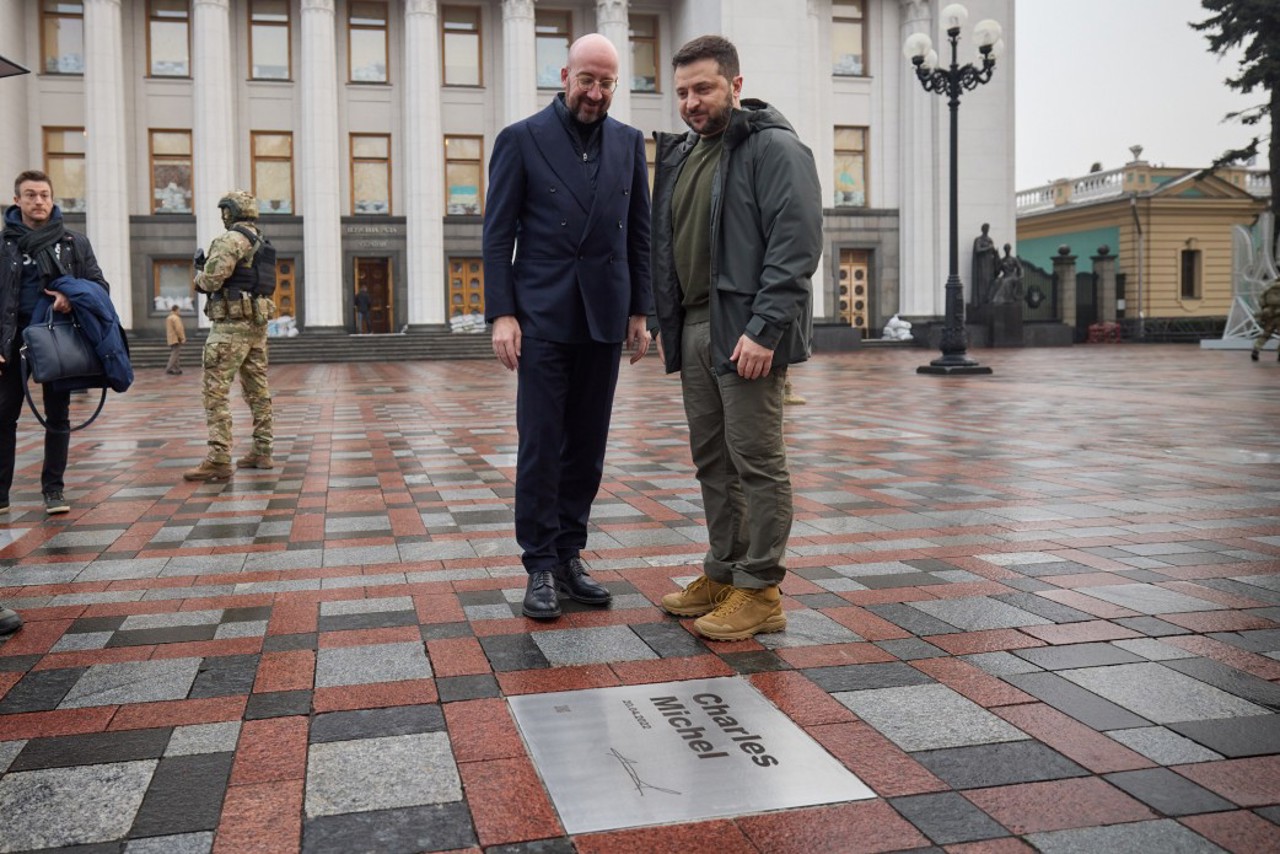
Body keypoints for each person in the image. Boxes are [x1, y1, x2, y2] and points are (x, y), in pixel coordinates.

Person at [650, 35, 822, 641]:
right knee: (713, 462)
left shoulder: (772, 148)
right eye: (683, 92)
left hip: (746, 329)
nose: (692, 102)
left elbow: (795, 243)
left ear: (735, 86)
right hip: (695, 323)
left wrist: (764, 327)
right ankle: (723, 573)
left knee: (758, 462)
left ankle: (761, 590)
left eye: (704, 88)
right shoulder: (687, 154)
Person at [482, 33, 652, 621]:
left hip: (604, 315)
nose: (597, 92)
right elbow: (498, 234)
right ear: (564, 75)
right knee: (541, 446)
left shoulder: (630, 144)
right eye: (588, 80)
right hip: (543, 318)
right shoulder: (521, 139)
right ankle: (539, 565)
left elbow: (639, 234)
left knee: (587, 447)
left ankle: (571, 553)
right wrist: (503, 313)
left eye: (607, 82)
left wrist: (640, 311)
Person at [0, 169, 111, 515]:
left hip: (58, 337)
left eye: (44, 195)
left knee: (58, 416)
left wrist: (71, 299)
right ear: (17, 200)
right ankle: (1, 494)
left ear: (52, 199)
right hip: (12, 340)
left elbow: (99, 286)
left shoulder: (74, 243)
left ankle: (54, 489)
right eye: (31, 195)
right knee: (4, 415)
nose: (39, 201)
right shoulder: (4, 245)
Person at [183, 190, 275, 481]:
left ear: (231, 212)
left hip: (229, 328)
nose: (223, 215)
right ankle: (263, 450)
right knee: (258, 391)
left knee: (215, 391)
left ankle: (219, 457)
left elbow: (211, 280)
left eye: (225, 210)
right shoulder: (261, 242)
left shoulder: (230, 240)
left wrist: (198, 275)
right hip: (256, 327)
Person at [1252, 278, 1280, 361]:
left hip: (1269, 315)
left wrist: (1265, 308)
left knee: (1265, 335)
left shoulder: (1269, 287)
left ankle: (1256, 349)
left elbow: (1261, 300)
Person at [972, 223, 999, 304]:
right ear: (982, 229)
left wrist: (995, 252)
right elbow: (977, 250)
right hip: (982, 264)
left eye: (988, 228)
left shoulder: (990, 240)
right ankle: (981, 300)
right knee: (983, 281)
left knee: (990, 281)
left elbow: (993, 251)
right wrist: (988, 248)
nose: (987, 230)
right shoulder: (978, 239)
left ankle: (988, 299)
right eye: (985, 228)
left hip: (989, 264)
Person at [165, 304, 186, 374]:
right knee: (174, 354)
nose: (179, 312)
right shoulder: (176, 318)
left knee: (175, 354)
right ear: (176, 310)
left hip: (171, 338)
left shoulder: (169, 317)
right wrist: (182, 338)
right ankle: (169, 368)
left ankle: (177, 369)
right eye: (179, 310)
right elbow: (179, 329)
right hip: (176, 339)